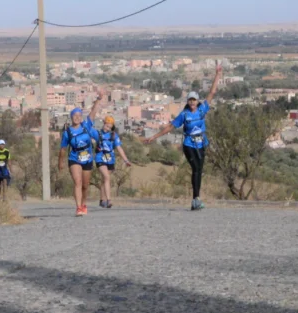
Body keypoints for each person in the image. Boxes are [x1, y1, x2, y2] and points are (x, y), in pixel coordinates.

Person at [144, 64, 221, 210]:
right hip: (189, 144)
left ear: (197, 101)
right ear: (188, 101)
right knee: (196, 168)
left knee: (199, 170)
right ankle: (196, 199)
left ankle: (196, 199)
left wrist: (217, 75)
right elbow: (170, 127)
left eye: (194, 100)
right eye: (190, 100)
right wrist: (154, 137)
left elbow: (212, 93)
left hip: (201, 143)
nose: (192, 102)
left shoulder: (202, 110)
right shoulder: (184, 115)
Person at [58, 95, 104, 216]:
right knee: (77, 182)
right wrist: (60, 162)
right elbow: (63, 148)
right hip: (74, 158)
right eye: (75, 116)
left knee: (85, 185)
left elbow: (93, 112)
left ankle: (84, 204)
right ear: (71, 118)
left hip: (88, 158)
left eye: (79, 116)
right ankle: (78, 207)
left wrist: (98, 99)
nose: (77, 118)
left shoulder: (86, 125)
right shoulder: (67, 132)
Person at [94, 115, 131, 209]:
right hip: (100, 158)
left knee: (104, 179)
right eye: (107, 126)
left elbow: (119, 148)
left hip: (110, 159)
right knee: (106, 177)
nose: (108, 128)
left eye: (110, 127)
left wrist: (126, 160)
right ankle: (109, 200)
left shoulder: (114, 136)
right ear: (104, 123)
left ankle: (102, 200)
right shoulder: (97, 133)